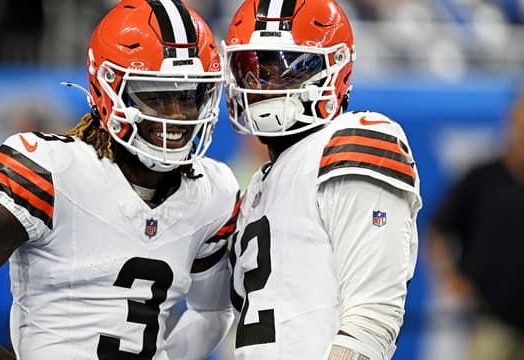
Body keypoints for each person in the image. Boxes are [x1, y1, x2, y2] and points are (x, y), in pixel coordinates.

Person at [0, 1, 240, 359]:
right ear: (108, 88)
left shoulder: (211, 192)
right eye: (155, 94)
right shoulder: (59, 173)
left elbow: (211, 311)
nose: (177, 115)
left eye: (189, 94)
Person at [221, 0, 422, 359]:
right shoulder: (257, 188)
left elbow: (371, 320)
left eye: (284, 68)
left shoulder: (353, 141)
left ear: (333, 69)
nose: (262, 84)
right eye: (252, 68)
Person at [427, 93, 524, 360]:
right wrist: (451, 279)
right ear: (511, 124)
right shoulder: (483, 178)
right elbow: (437, 228)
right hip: (492, 318)